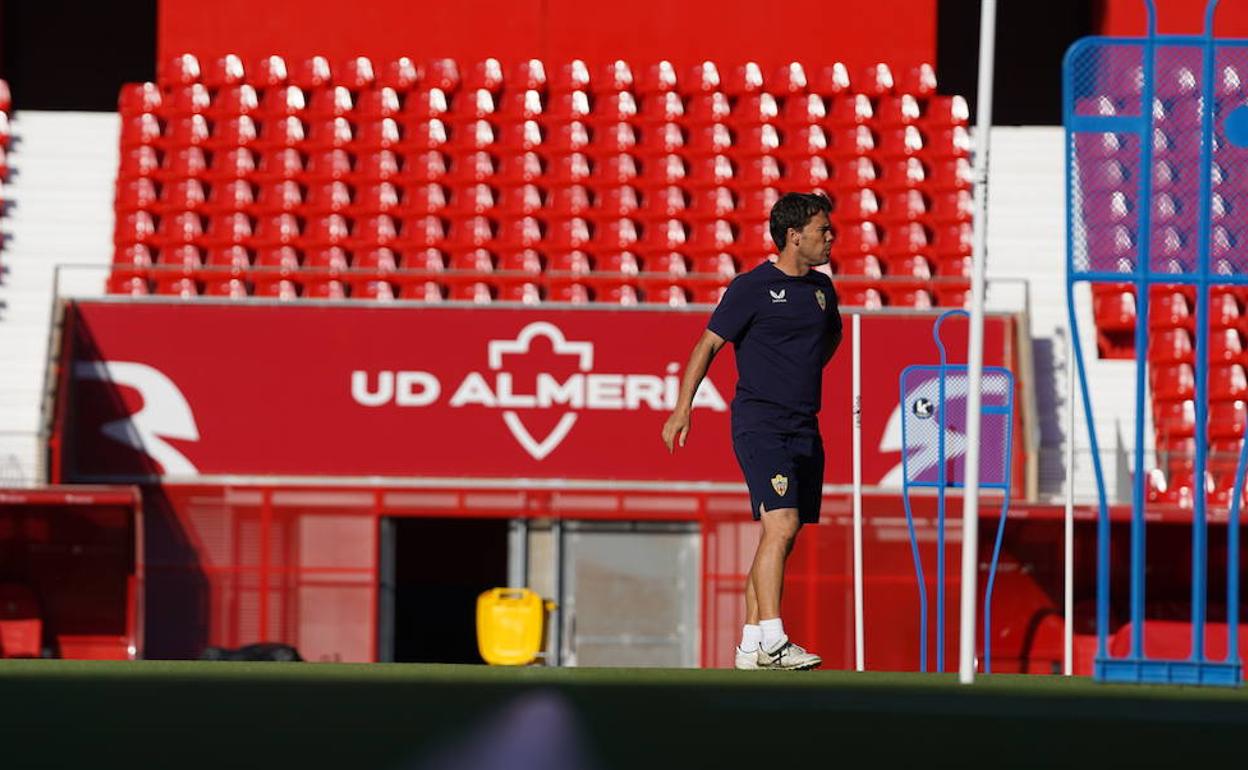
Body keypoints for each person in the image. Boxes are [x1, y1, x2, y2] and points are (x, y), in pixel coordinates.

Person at [662, 192, 842, 670]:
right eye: (823, 230)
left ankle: (747, 647)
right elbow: (707, 344)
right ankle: (774, 640)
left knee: (780, 535)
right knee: (779, 526)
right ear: (793, 236)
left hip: (806, 425)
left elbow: (831, 339)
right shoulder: (752, 287)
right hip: (761, 423)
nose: (831, 238)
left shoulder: (823, 292)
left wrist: (800, 374)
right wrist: (683, 408)